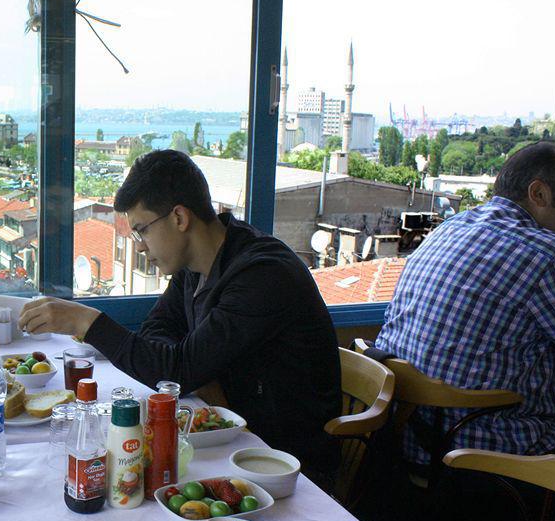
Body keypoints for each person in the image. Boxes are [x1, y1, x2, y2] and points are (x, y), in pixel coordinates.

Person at [19, 149, 341, 482]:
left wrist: (85, 322)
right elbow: (157, 331)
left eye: (142, 230)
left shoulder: (261, 276)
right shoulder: (195, 266)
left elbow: (175, 369)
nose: (140, 246)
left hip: (284, 463)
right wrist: (192, 367)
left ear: (179, 218)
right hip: (228, 439)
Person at [370, 141, 555, 521]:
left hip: (412, 443)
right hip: (485, 459)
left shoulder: (449, 228)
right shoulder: (548, 256)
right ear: (538, 193)